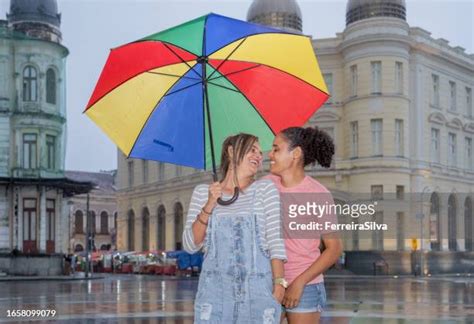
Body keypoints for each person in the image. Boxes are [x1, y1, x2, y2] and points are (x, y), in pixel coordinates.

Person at [183, 133, 287, 323]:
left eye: (259, 151)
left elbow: (275, 241)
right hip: (214, 294)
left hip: (259, 293)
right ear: (231, 152)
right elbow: (191, 245)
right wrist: (209, 204)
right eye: (252, 149)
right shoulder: (202, 193)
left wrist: (280, 284)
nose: (259, 155)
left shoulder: (265, 190)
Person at [266, 126, 343, 324]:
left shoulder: (318, 194)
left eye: (276, 149)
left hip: (305, 286)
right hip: (268, 282)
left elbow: (334, 249)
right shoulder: (265, 186)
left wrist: (299, 282)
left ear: (296, 154)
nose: (270, 154)